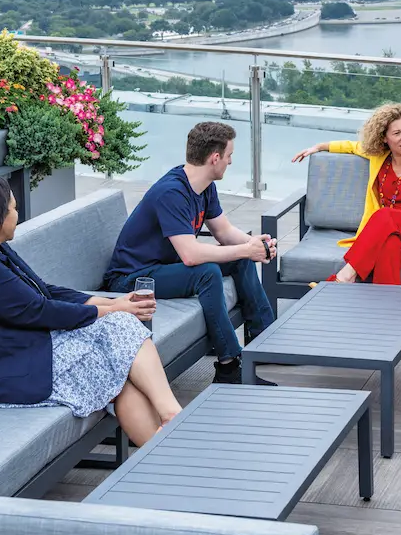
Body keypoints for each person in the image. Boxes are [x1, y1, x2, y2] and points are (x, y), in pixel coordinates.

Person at [0, 176, 182, 446]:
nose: (18, 214)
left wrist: (112, 304)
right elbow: (37, 311)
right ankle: (171, 420)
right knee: (115, 348)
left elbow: (43, 290)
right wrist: (111, 311)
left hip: (14, 347)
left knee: (118, 351)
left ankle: (163, 438)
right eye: (13, 208)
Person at [103, 121, 277, 386]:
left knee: (239, 257)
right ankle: (229, 367)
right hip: (133, 278)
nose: (230, 162)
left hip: (165, 268)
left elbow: (224, 231)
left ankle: (263, 340)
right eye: (229, 156)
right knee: (206, 272)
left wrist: (255, 245)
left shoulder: (204, 186)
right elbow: (190, 257)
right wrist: (245, 249)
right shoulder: (171, 193)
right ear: (215, 158)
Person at [292, 102, 401, 286]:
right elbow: (352, 146)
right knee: (389, 245)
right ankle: (387, 308)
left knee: (384, 215)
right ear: (384, 138)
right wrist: (320, 147)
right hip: (393, 230)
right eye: (397, 133)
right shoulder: (379, 156)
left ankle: (344, 277)